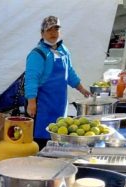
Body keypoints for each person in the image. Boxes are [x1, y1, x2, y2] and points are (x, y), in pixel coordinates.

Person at [25, 15, 91, 149]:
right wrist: (31, 102)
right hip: (43, 105)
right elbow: (31, 79)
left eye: (56, 29)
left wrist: (81, 88)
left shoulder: (63, 50)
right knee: (42, 140)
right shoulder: (37, 54)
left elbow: (69, 72)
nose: (53, 33)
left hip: (60, 103)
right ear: (42, 33)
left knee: (59, 135)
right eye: (49, 30)